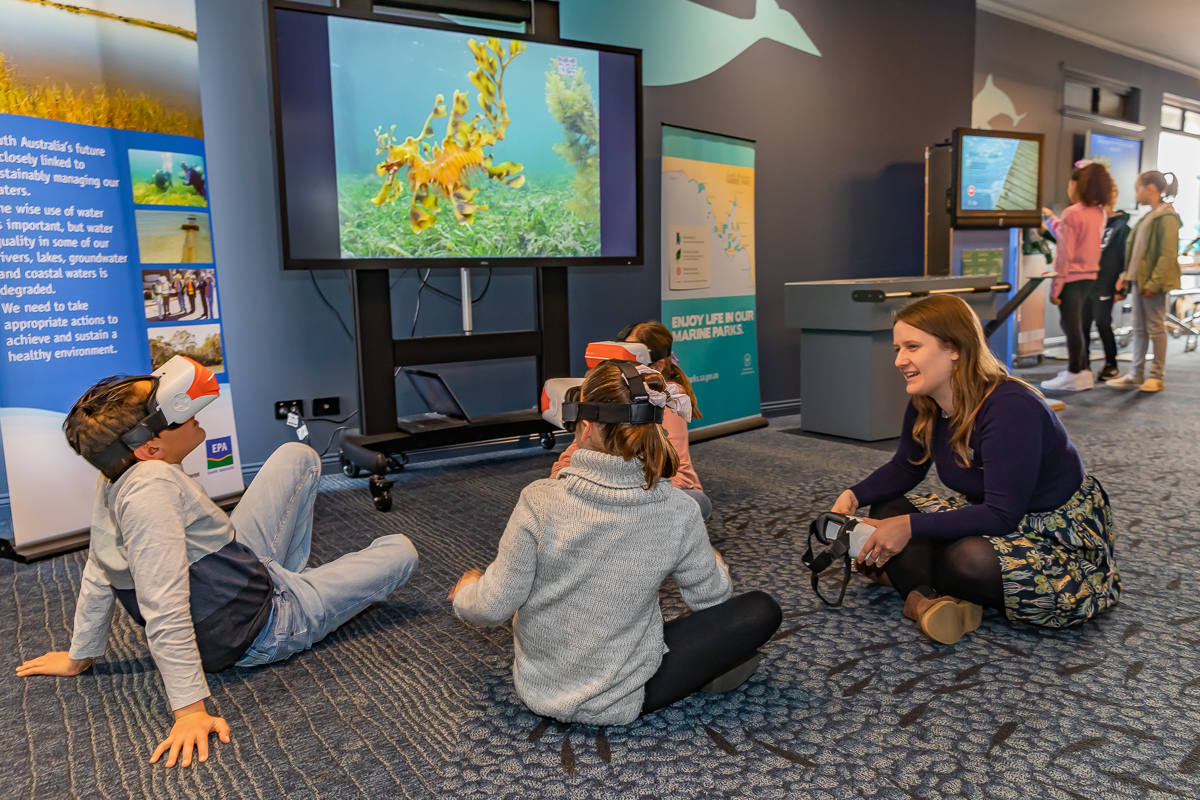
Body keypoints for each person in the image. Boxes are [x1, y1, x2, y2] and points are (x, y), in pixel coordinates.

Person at [16, 376, 420, 769]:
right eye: (174, 413)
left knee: (298, 456)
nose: (189, 411)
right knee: (401, 551)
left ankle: (293, 579)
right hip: (265, 626)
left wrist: (79, 656)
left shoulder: (114, 475)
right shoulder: (151, 492)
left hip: (235, 565)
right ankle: (301, 598)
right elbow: (164, 605)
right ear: (151, 449)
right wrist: (189, 711)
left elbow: (98, 567)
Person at [451, 360, 781, 726]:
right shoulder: (679, 510)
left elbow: (492, 606)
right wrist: (714, 559)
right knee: (760, 610)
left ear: (586, 427)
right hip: (624, 697)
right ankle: (713, 669)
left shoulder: (538, 499)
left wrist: (467, 591)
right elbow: (712, 599)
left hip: (539, 690)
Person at [831, 295, 1119, 645]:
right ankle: (925, 602)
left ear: (953, 348)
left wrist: (908, 530)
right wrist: (853, 495)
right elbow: (905, 468)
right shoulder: (926, 401)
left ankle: (917, 583)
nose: (899, 360)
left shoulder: (1010, 408)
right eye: (897, 348)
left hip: (1053, 536)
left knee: (964, 560)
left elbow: (1001, 515)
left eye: (912, 347)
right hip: (988, 515)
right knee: (887, 508)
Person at [551, 321, 712, 519]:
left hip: (654, 490)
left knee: (696, 502)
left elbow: (680, 474)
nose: (623, 368)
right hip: (614, 485)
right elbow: (575, 450)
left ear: (658, 366)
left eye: (631, 360)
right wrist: (557, 484)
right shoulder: (612, 397)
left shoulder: (669, 400)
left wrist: (629, 497)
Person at [1039, 162, 1114, 392]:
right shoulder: (1099, 213)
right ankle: (1081, 372)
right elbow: (1070, 235)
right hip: (1089, 277)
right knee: (1078, 326)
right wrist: (1051, 220)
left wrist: (1055, 288)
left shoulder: (1072, 213)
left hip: (1070, 278)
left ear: (1077, 185)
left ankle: (1074, 373)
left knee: (1070, 325)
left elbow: (1065, 253)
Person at [1106, 171, 1182, 393]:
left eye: (1138, 188)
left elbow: (1166, 255)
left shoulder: (1167, 217)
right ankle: (1136, 374)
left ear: (1150, 189)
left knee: (1156, 328)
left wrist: (1154, 283)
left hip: (1152, 284)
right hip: (1139, 281)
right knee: (1139, 328)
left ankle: (1157, 376)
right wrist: (1125, 277)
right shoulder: (1149, 216)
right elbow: (1138, 253)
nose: (1136, 194)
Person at [1081, 185, 1131, 381]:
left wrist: (1123, 287)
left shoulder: (1122, 228)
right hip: (1085, 283)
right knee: (1082, 324)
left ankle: (1111, 364)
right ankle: (1082, 364)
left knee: (1103, 323)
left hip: (1107, 284)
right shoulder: (1093, 223)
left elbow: (1126, 259)